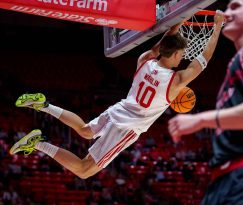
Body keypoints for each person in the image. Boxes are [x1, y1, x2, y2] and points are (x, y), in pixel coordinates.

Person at [9, 12, 225, 179]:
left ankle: (43, 104)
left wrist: (179, 20)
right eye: (181, 55)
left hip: (120, 109)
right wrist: (217, 27)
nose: (182, 58)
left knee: (85, 130)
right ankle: (38, 143)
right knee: (85, 170)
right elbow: (203, 61)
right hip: (126, 127)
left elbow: (164, 44)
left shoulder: (145, 60)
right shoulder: (175, 82)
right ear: (177, 54)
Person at [168, 0, 243, 204]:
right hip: (227, 179)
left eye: (235, 7)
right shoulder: (239, 59)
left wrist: (201, 120)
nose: (226, 12)